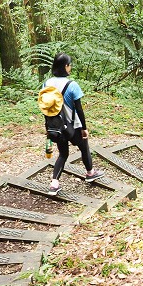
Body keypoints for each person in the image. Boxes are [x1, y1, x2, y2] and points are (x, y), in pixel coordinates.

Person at [42, 53, 104, 194]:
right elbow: (79, 109)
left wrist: (49, 125)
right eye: (69, 65)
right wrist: (84, 128)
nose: (70, 67)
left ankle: (54, 184)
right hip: (73, 126)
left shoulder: (46, 84)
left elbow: (44, 107)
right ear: (66, 66)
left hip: (56, 126)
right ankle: (90, 173)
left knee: (63, 154)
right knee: (84, 147)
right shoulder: (72, 85)